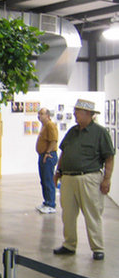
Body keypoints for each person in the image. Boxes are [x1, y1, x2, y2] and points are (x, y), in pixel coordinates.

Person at [53, 99, 115, 260]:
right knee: (68, 214)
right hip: (68, 178)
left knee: (92, 213)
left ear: (88, 114)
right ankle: (69, 244)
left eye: (77, 112)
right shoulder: (72, 131)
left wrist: (107, 179)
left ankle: (97, 247)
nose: (74, 114)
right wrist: (58, 172)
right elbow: (64, 153)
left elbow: (109, 157)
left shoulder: (100, 133)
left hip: (89, 178)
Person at [35, 108, 59, 214]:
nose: (39, 116)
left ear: (48, 115)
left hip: (48, 156)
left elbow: (54, 140)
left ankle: (51, 204)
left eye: (42, 114)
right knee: (44, 180)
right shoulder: (44, 126)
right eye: (39, 113)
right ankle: (46, 202)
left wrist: (48, 153)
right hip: (42, 155)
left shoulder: (50, 125)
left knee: (48, 180)